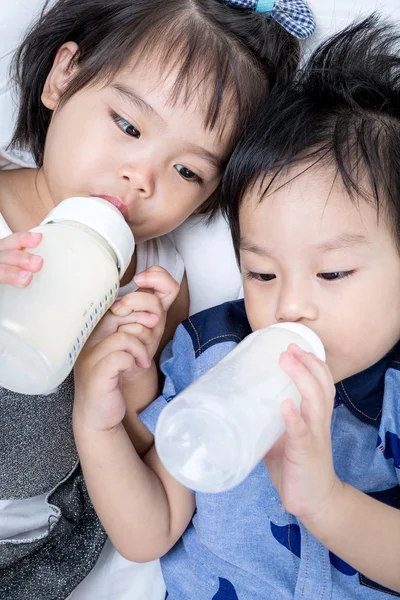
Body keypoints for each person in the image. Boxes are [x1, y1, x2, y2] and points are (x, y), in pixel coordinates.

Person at [74, 15, 400, 598]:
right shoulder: (213, 358)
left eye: (332, 273)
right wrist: (98, 424)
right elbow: (148, 535)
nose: (290, 305)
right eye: (261, 272)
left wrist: (324, 501)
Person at [0, 0, 312, 597]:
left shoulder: (157, 280)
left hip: (26, 552)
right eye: (127, 126)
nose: (142, 178)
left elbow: (148, 453)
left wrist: (126, 381)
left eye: (188, 172)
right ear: (63, 77)